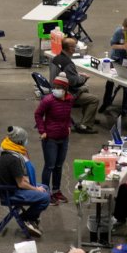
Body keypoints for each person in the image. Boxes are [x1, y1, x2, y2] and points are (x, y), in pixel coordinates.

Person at [0, 126, 49, 238]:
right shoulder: (13, 159)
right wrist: (36, 189)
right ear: (19, 141)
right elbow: (21, 183)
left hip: (11, 186)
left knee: (45, 187)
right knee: (45, 197)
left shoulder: (7, 148)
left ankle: (31, 219)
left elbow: (18, 178)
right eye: (24, 140)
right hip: (12, 193)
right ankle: (26, 218)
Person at [35, 73, 75, 204]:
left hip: (63, 138)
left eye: (59, 87)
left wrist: (68, 126)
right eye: (55, 86)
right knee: (50, 166)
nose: (56, 89)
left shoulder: (70, 99)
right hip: (50, 138)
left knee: (59, 166)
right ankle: (45, 193)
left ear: (65, 89)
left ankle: (56, 191)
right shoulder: (48, 100)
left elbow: (68, 115)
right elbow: (38, 114)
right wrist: (42, 131)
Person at [48, 36, 101, 133]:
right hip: (65, 94)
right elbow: (75, 83)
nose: (76, 48)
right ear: (70, 49)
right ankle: (85, 126)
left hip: (55, 90)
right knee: (94, 99)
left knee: (85, 89)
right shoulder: (68, 63)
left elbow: (66, 76)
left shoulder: (55, 58)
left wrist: (76, 75)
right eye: (74, 46)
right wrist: (84, 78)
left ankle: (89, 118)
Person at [102, 17, 127, 114]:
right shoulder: (118, 32)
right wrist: (123, 46)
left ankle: (126, 107)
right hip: (117, 59)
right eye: (126, 29)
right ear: (123, 26)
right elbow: (113, 45)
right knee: (110, 82)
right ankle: (106, 103)